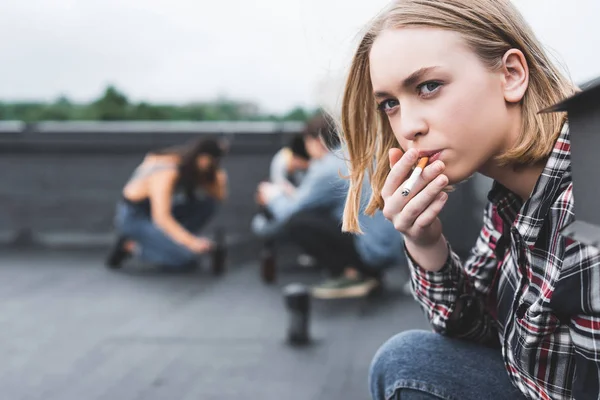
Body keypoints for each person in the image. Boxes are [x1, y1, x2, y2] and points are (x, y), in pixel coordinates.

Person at [338, 1, 598, 399]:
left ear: (511, 75)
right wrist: (424, 241)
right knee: (407, 361)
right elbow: (474, 330)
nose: (408, 127)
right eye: (390, 104)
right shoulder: (510, 194)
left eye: (429, 87)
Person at [253, 112, 404, 298]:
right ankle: (364, 273)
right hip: (388, 249)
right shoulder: (353, 156)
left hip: (370, 252)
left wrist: (273, 196)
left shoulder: (326, 168)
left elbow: (290, 212)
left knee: (298, 221)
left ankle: (351, 273)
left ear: (317, 141)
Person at [105, 137, 227, 270]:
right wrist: (192, 243)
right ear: (203, 158)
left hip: (153, 213)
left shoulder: (188, 166)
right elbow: (162, 217)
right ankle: (130, 247)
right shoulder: (166, 170)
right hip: (135, 217)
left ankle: (169, 244)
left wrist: (216, 175)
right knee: (186, 259)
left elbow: (219, 196)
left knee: (207, 205)